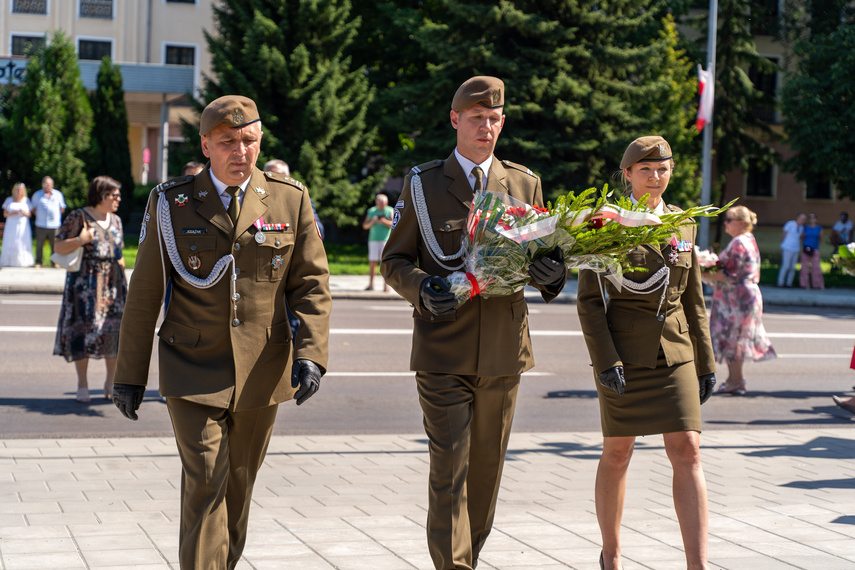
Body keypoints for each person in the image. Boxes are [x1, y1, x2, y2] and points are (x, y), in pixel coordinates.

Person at [112, 95, 332, 569]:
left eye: (249, 140)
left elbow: (311, 284)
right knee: (206, 482)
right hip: (191, 368)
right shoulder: (172, 202)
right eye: (228, 141)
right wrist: (129, 374)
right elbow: (145, 294)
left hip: (262, 369)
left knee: (237, 488)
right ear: (206, 144)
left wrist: (311, 353)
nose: (241, 151)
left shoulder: (289, 198)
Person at [381, 76, 567, 570]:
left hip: (504, 350)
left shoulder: (524, 183)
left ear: (502, 123)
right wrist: (421, 288)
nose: (485, 126)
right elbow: (394, 260)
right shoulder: (422, 184)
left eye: (493, 119)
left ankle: (468, 557)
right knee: (450, 468)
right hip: (444, 349)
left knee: (485, 473)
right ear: (455, 120)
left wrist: (553, 276)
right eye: (475, 118)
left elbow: (542, 260)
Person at [575, 136, 716, 570]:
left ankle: (698, 564)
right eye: (646, 170)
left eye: (663, 169)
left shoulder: (683, 221)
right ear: (628, 175)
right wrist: (604, 360)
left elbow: (693, 298)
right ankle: (612, 554)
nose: (656, 178)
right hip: (624, 355)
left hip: (675, 353)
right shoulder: (604, 223)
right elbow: (589, 301)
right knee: (618, 453)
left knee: (688, 450)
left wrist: (707, 360)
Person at [52, 176, 126, 402]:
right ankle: (82, 383)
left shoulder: (116, 220)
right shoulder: (79, 216)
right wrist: (80, 240)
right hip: (85, 284)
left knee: (114, 334)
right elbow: (57, 246)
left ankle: (110, 382)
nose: (118, 199)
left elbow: (120, 254)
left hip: (114, 285)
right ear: (101, 195)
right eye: (114, 195)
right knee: (82, 333)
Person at [706, 206, 777, 394]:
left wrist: (698, 270)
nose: (725, 223)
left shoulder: (739, 242)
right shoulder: (748, 240)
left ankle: (736, 381)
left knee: (732, 338)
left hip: (735, 297)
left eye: (729, 219)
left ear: (741, 223)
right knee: (735, 338)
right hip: (743, 296)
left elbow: (728, 274)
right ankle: (734, 379)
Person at [30, 176, 67, 267]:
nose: (46, 186)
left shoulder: (58, 194)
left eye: (48, 184)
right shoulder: (37, 195)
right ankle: (38, 262)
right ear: (42, 185)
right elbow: (33, 209)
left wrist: (55, 216)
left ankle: (55, 263)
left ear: (52, 185)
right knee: (39, 244)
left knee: (54, 245)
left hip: (54, 225)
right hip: (40, 224)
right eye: (45, 184)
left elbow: (62, 208)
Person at [362, 193, 393, 291]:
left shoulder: (390, 210)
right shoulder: (371, 211)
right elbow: (365, 226)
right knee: (373, 262)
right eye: (380, 203)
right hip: (373, 240)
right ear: (376, 202)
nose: (382, 205)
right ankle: (371, 284)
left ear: (387, 203)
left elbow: (393, 224)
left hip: (385, 240)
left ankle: (386, 286)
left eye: (383, 203)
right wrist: (373, 221)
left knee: (385, 263)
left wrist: (383, 221)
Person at [0, 182, 35, 267]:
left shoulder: (26, 200)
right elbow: (5, 214)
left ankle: (22, 261)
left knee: (21, 242)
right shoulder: (9, 200)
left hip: (22, 225)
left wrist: (23, 212)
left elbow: (29, 214)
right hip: (11, 225)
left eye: (21, 190)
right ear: (14, 190)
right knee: (10, 241)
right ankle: (9, 261)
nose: (19, 191)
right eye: (17, 189)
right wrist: (14, 213)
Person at [776, 213, 805, 287]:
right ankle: (780, 282)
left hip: (796, 248)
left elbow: (800, 238)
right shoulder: (790, 224)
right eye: (801, 218)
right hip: (787, 247)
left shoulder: (802, 228)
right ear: (797, 218)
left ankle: (789, 283)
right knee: (786, 266)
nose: (803, 220)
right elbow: (783, 234)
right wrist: (782, 245)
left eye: (804, 219)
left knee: (793, 267)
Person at [799, 213, 824, 289]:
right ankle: (804, 284)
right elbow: (802, 237)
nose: (812, 219)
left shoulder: (819, 228)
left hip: (815, 248)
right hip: (806, 248)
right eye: (810, 218)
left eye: (813, 218)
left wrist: (815, 245)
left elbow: (820, 238)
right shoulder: (805, 228)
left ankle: (817, 284)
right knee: (804, 267)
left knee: (816, 267)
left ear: (816, 219)